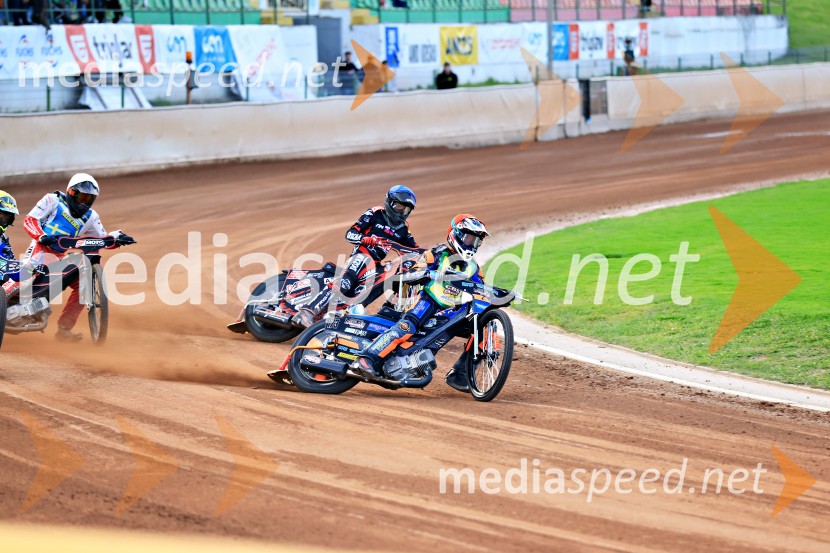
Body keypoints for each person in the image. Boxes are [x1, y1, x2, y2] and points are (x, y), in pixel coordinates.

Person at [353, 214, 489, 392]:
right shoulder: (437, 255)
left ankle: (461, 374)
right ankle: (366, 359)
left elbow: (483, 291)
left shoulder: (474, 268)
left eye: (476, 241)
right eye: (469, 238)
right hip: (428, 301)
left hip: (453, 311)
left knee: (484, 328)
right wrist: (427, 274)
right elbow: (409, 274)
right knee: (406, 327)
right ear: (455, 235)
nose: (472, 245)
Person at [13, 173, 133, 342]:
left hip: (60, 257)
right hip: (40, 250)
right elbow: (30, 220)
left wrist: (118, 238)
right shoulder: (52, 200)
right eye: (81, 197)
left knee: (85, 285)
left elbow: (102, 239)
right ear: (71, 192)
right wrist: (41, 236)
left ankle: (64, 330)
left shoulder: (91, 217)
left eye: (89, 199)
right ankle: (14, 303)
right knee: (25, 280)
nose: (84, 203)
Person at [292, 185, 419, 328]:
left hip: (375, 264)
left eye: (406, 209)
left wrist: (433, 253)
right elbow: (350, 233)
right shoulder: (375, 213)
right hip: (361, 256)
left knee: (381, 283)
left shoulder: (403, 229)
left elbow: (415, 250)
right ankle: (306, 312)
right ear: (390, 202)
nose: (401, 212)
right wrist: (365, 239)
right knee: (345, 282)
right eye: (399, 206)